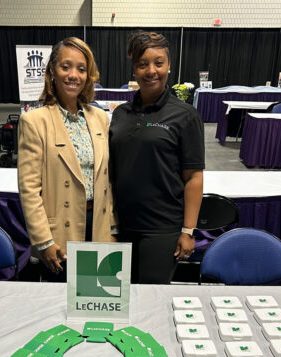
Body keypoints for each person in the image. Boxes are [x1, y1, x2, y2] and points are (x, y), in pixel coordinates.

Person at [109, 31, 205, 284]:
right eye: (143, 64)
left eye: (158, 63)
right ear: (134, 69)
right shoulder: (120, 114)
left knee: (149, 300)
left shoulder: (185, 116)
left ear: (169, 66)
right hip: (120, 227)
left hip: (161, 229)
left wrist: (187, 231)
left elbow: (194, 176)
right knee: (117, 301)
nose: (151, 70)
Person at [18, 37, 114, 281]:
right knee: (60, 305)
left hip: (98, 227)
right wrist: (43, 240)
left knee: (95, 300)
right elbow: (29, 189)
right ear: (52, 70)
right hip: (59, 232)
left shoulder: (99, 117)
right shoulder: (34, 121)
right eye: (66, 67)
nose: (74, 75)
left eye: (81, 69)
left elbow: (108, 179)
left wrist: (112, 228)